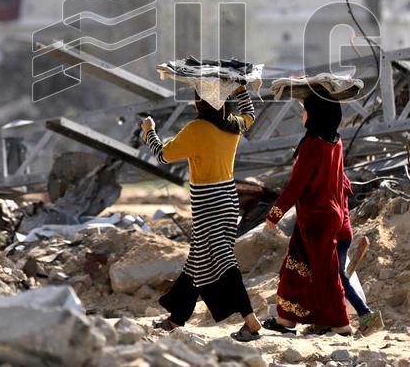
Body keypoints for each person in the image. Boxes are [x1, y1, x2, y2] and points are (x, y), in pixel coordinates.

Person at [142, 86, 263, 342]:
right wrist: (241, 90)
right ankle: (176, 319)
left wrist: (149, 131)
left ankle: (250, 319)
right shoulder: (234, 125)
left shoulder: (196, 129)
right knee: (198, 260)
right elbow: (250, 113)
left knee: (222, 259)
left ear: (200, 104)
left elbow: (162, 155)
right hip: (229, 200)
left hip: (207, 203)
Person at [263, 87, 351, 336]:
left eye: (306, 110)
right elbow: (342, 182)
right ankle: (286, 320)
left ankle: (341, 324)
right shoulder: (336, 141)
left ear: (317, 114)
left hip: (317, 219)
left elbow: (296, 185)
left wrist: (275, 213)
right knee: (296, 268)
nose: (302, 114)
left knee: (325, 274)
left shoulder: (313, 144)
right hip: (323, 217)